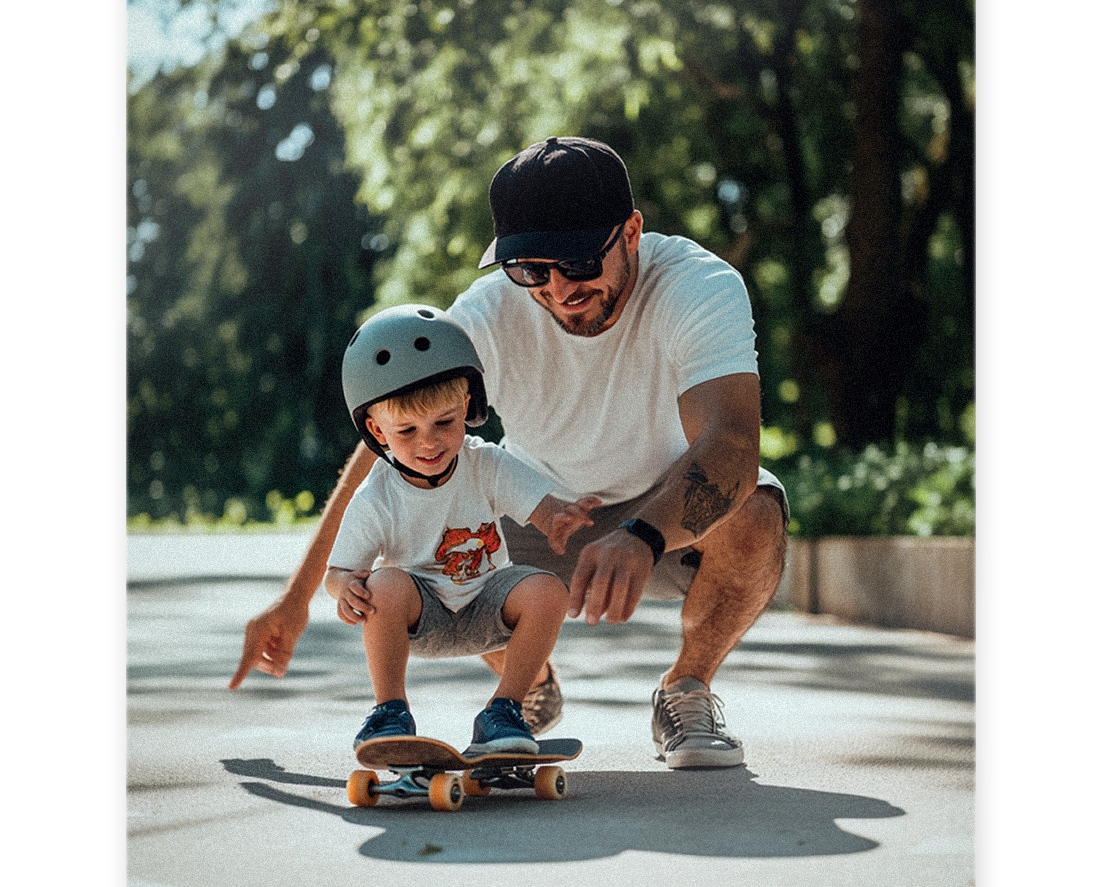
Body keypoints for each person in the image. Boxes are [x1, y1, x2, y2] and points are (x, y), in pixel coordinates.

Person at [231, 136, 790, 769]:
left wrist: (642, 534)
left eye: (579, 261)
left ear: (631, 233)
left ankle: (686, 689)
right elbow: (384, 453)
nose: (558, 288)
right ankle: (526, 687)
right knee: (420, 518)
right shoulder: (486, 316)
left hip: (667, 514)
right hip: (534, 513)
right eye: (530, 270)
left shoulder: (696, 285)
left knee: (755, 510)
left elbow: (732, 443)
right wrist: (296, 599)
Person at [325, 304, 602, 755]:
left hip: (488, 605)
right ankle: (390, 712)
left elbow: (541, 507)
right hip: (422, 615)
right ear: (377, 430)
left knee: (548, 590)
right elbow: (336, 573)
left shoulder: (485, 463)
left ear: (467, 406)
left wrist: (558, 519)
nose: (429, 442)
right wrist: (345, 589)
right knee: (384, 583)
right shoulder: (377, 496)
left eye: (444, 422)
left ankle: (504, 711)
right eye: (406, 430)